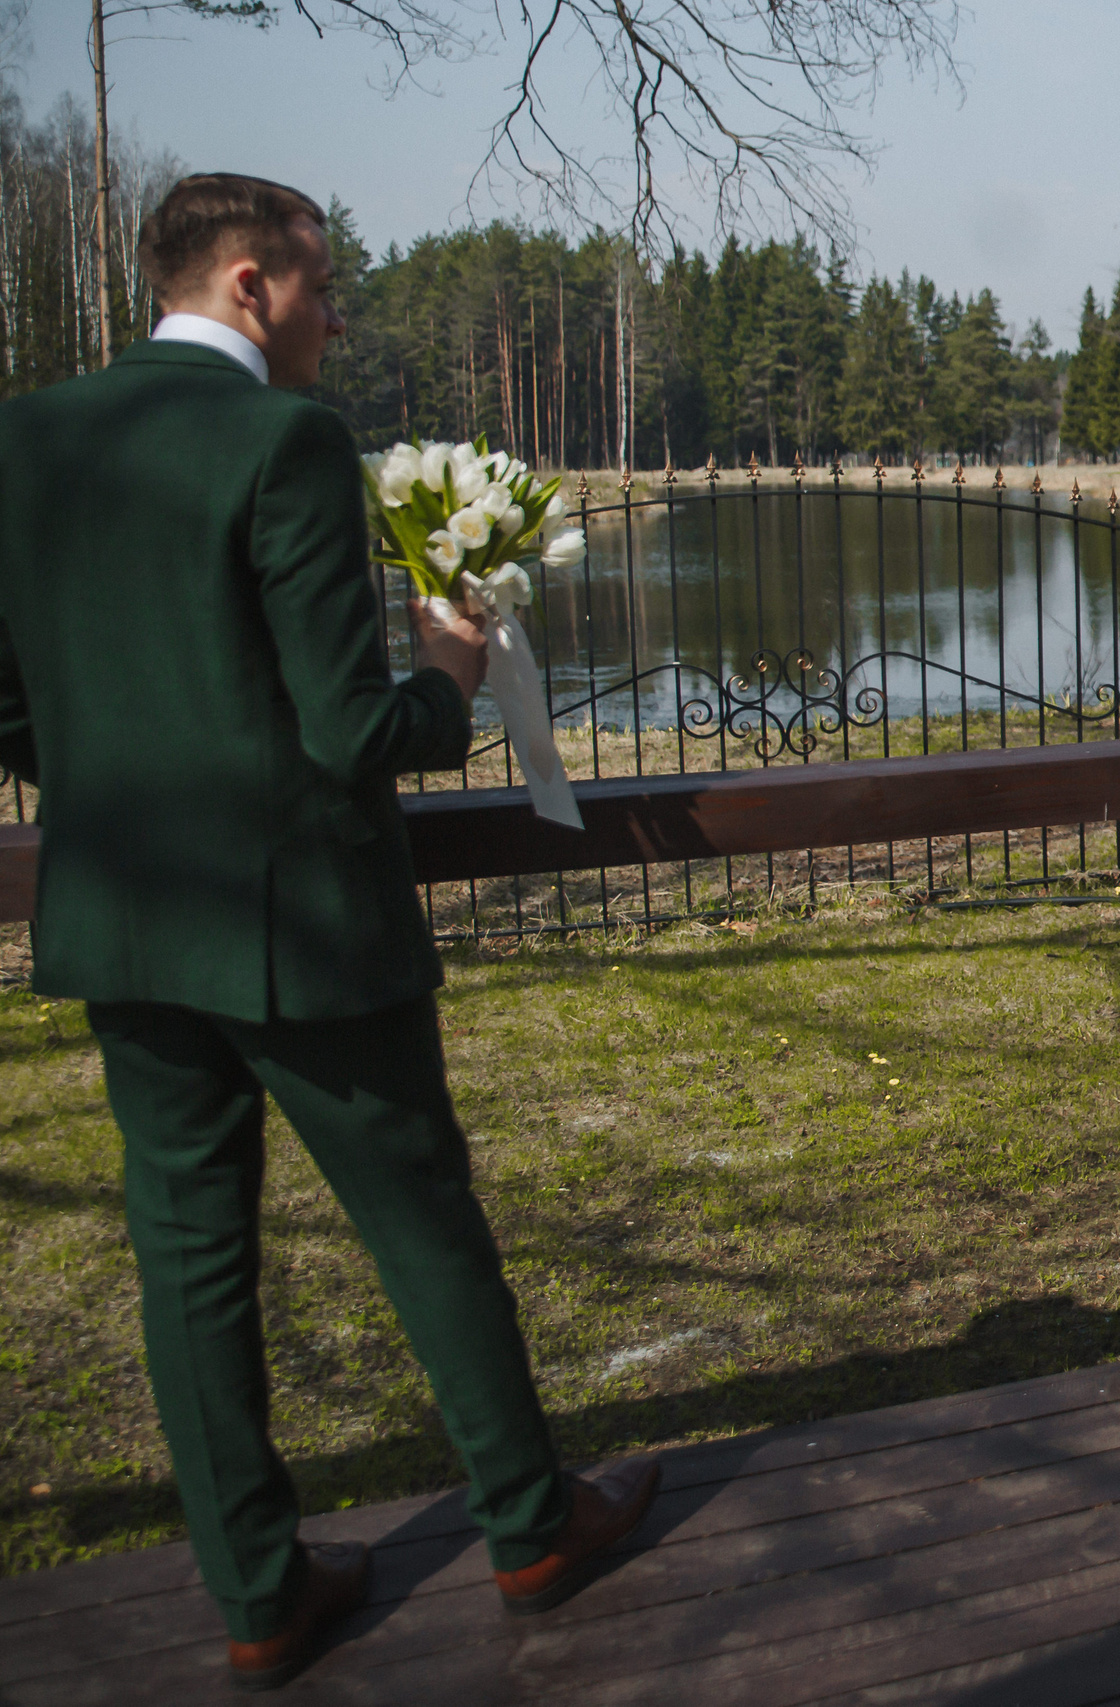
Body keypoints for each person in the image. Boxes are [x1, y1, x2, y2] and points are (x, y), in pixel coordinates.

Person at [0, 174, 658, 1690]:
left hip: (121, 914)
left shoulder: (27, 437)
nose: (336, 316)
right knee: (423, 1219)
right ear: (247, 285)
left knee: (190, 1260)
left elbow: (8, 700)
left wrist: (110, 773)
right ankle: (530, 1520)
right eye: (321, 287)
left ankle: (255, 1590)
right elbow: (351, 725)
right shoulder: (280, 439)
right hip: (300, 923)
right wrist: (440, 664)